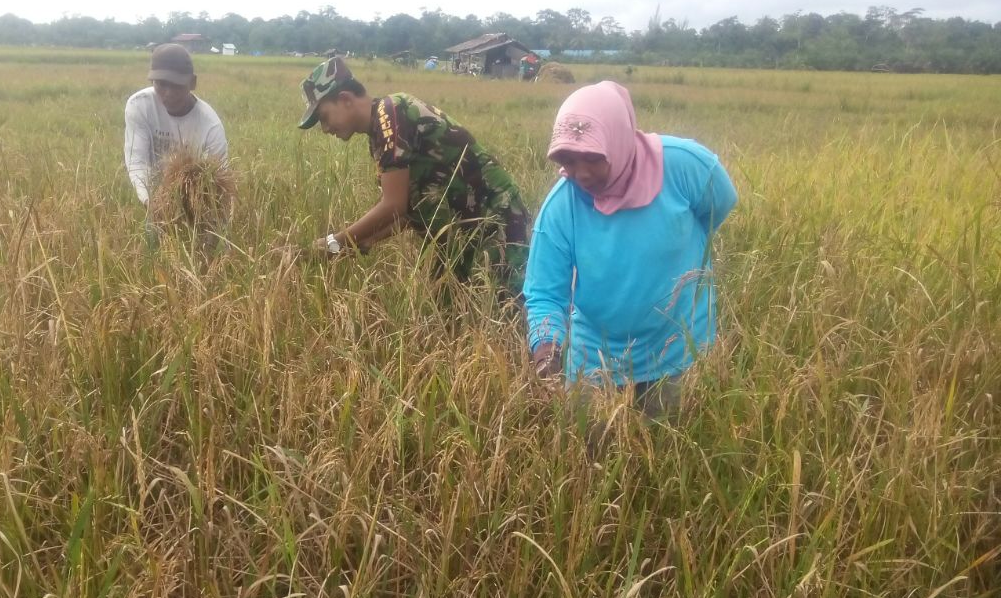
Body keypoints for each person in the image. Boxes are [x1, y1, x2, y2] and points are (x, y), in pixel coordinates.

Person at [523, 80, 737, 418]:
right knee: (589, 454)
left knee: (670, 451)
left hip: (676, 346)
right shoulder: (562, 207)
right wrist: (547, 351)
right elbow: (544, 292)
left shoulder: (685, 167)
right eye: (567, 158)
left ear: (618, 142)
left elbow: (719, 207)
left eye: (592, 158)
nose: (580, 173)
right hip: (595, 357)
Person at [297, 56, 530, 304]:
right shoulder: (381, 132)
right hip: (459, 229)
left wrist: (333, 243)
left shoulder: (391, 113)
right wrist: (364, 241)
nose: (324, 128)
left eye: (324, 117)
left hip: (495, 217)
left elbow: (392, 205)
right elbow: (406, 211)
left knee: (506, 306)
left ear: (345, 99)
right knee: (447, 306)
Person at [123, 44, 230, 219]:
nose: (168, 93)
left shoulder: (211, 126)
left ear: (192, 82)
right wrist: (151, 203)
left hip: (196, 202)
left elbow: (219, 184)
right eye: (161, 84)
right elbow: (137, 162)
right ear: (152, 82)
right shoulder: (139, 106)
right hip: (152, 195)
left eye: (177, 85)